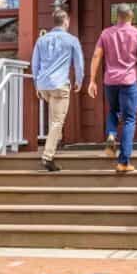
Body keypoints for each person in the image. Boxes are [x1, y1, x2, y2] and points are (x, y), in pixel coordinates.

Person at [87, 3, 137, 173]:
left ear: (118, 17)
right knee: (129, 119)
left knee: (113, 110)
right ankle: (123, 162)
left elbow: (96, 56)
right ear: (131, 16)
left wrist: (92, 81)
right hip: (129, 81)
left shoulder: (105, 33)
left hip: (110, 81)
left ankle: (111, 135)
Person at [31, 9, 84, 172]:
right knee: (57, 121)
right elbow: (79, 63)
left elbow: (35, 63)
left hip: (44, 84)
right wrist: (79, 80)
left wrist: (36, 84)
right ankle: (47, 157)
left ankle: (56, 139)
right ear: (66, 21)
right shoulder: (72, 40)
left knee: (55, 116)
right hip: (60, 84)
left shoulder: (41, 40)